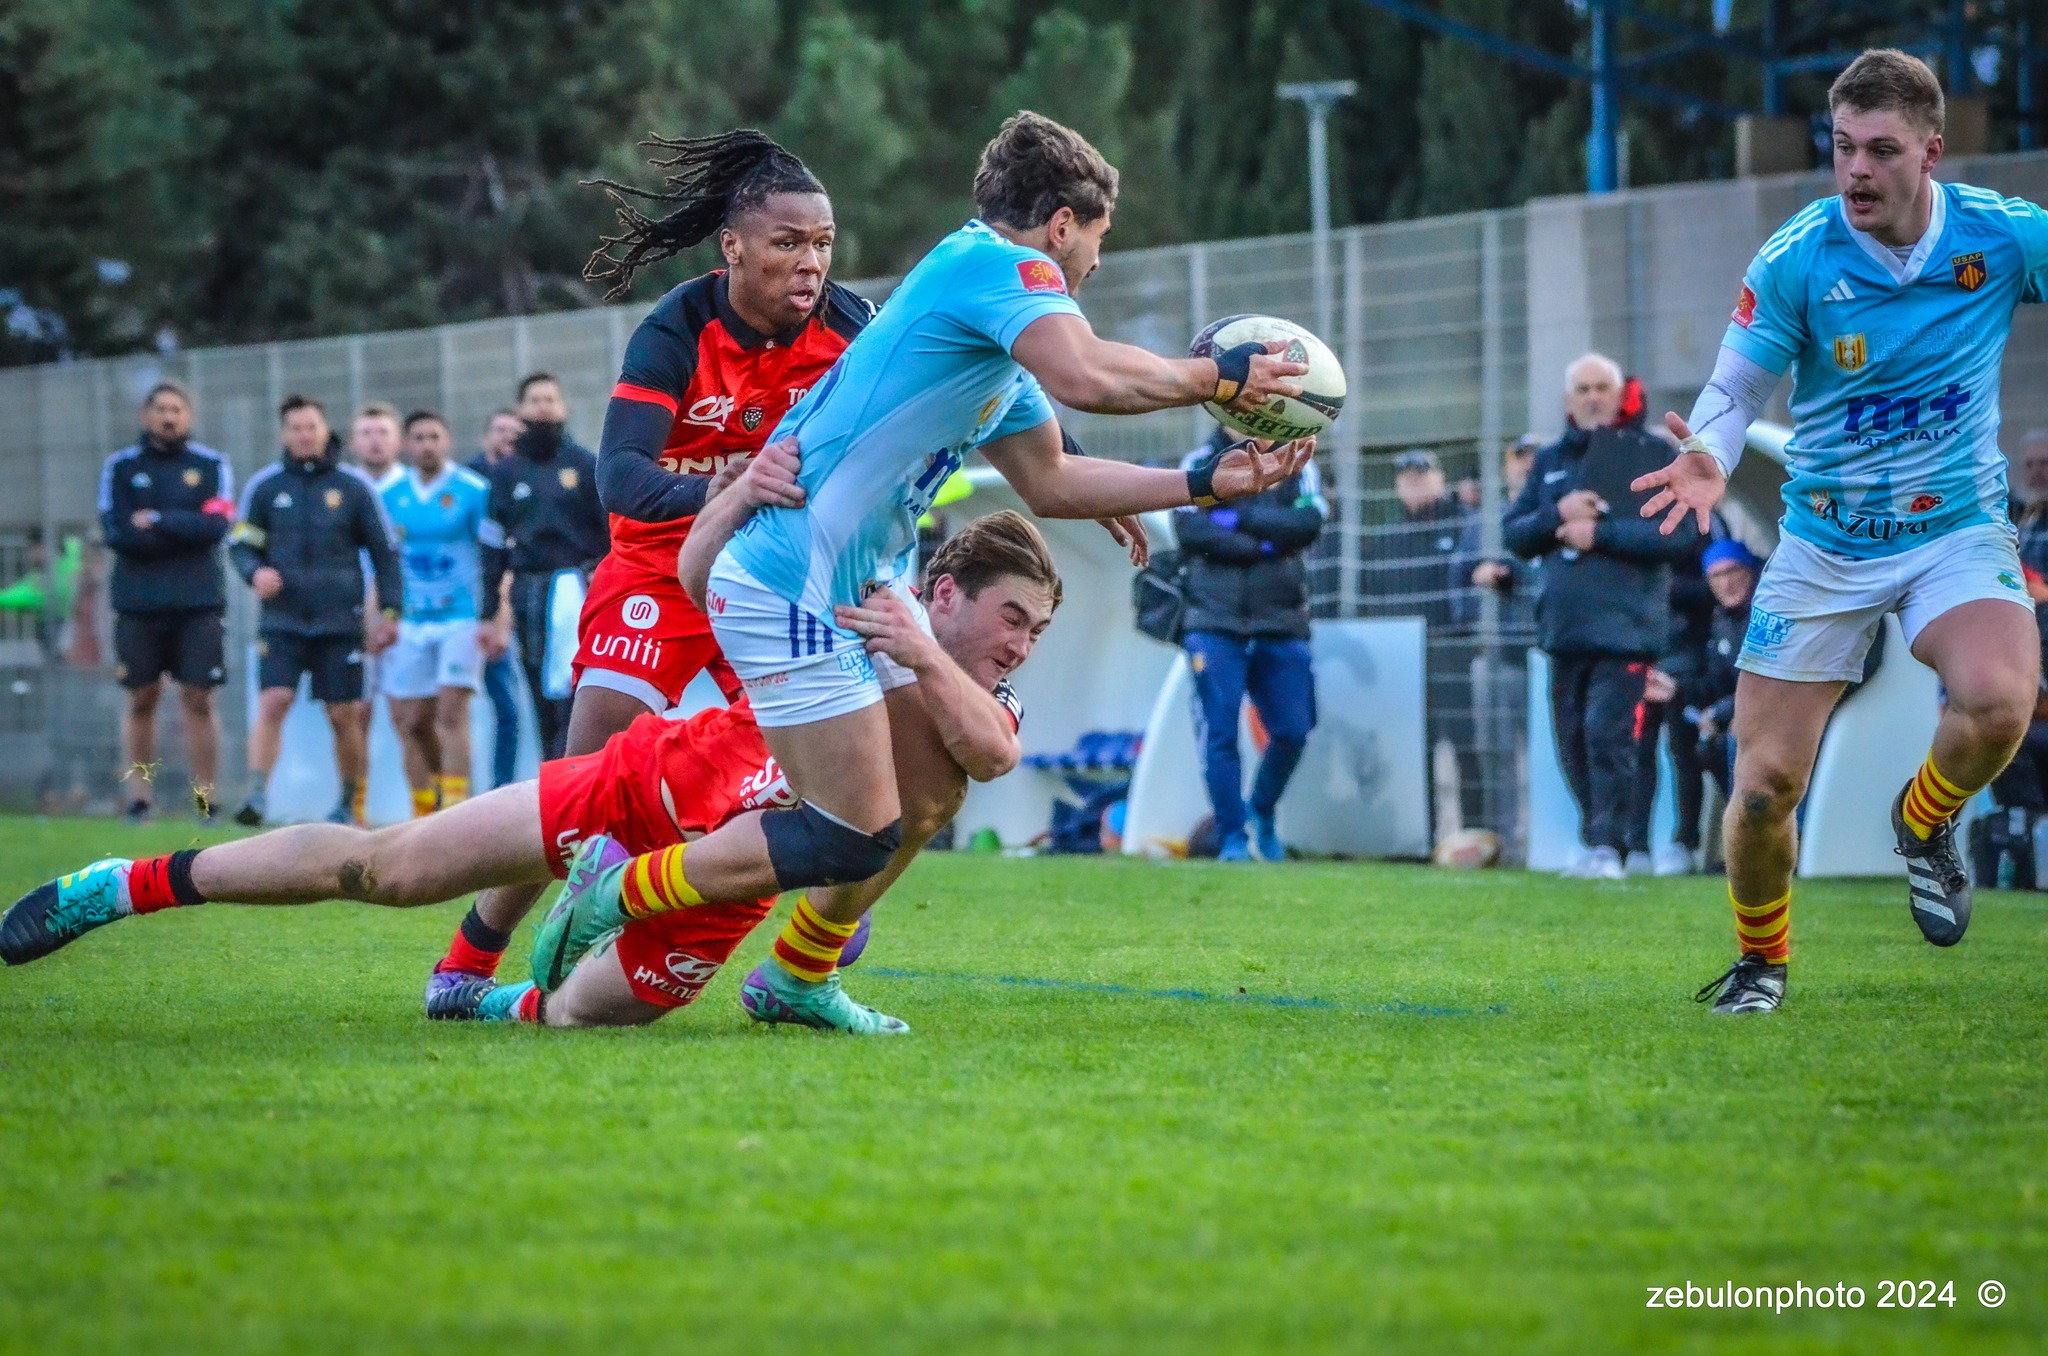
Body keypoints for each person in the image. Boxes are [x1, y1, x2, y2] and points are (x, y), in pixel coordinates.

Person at [529, 110, 1312, 1036]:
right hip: (791, 577)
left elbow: (1053, 479)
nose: (1094, 267)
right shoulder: (994, 265)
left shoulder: (990, 336)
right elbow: (1092, 378)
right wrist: (1220, 378)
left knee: (935, 780)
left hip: (852, 585)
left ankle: (797, 977)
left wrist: (1207, 483)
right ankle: (623, 889)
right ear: (1062, 225)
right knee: (851, 829)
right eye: (1097, 244)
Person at [0, 500, 1052, 1041]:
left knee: (581, 1015)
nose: (1021, 646)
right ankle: (122, 884)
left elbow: (993, 752)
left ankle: (516, 995)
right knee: (388, 869)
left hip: (727, 888)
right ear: (943, 591)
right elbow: (700, 578)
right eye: (1013, 618)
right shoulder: (857, 595)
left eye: (1038, 632)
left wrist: (921, 657)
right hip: (645, 786)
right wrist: (737, 496)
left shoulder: (974, 696)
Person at [1637, 49, 2046, 1014]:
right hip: (1826, 542)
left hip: (1954, 527)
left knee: (2001, 702)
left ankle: (1923, 821)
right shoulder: (1799, 257)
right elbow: (1736, 387)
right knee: (1763, 789)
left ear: (1931, 153)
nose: (1856, 170)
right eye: (1843, 146)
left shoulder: (2002, 235)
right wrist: (1708, 452)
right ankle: (1760, 965)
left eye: (1881, 151)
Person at [427, 130, 872, 1004]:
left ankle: (808, 960)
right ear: (732, 246)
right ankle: (467, 963)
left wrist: (1066, 462)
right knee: (581, 785)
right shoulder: (677, 327)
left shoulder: (851, 324)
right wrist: (722, 488)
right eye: (788, 243)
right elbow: (620, 478)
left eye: (823, 243)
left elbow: (972, 390)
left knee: (833, 763)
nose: (810, 263)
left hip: (775, 575)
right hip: (658, 565)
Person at [1505, 352, 1698, 880]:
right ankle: (1596, 838)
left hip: (1626, 631)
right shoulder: (1550, 460)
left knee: (1607, 738)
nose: (1593, 398)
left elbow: (1679, 535)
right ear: (1569, 400)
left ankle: (1611, 846)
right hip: (1563, 629)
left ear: (1619, 395)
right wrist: (1557, 516)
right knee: (1571, 741)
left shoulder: (1652, 454)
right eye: (1583, 389)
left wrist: (1602, 534)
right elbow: (1515, 533)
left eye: (1601, 388)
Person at [228, 396, 403, 827]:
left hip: (339, 621)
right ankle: (257, 796)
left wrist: (391, 612)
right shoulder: (266, 487)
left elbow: (384, 551)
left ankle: (346, 803)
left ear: (326, 430)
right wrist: (255, 572)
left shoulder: (353, 487)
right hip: (282, 620)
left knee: (343, 713)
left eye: (312, 427)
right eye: (296, 428)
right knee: (274, 701)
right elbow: (242, 544)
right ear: (284, 433)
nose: (305, 435)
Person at [1172, 422, 1327, 861]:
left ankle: (1261, 808)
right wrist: (1268, 545)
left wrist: (1236, 519)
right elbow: (1192, 532)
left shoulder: (1298, 464)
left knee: (1294, 730)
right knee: (1220, 733)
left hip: (1281, 618)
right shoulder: (1199, 462)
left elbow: (1308, 524)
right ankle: (1233, 839)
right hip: (1213, 620)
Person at [97, 381, 235, 823]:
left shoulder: (211, 465)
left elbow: (216, 528)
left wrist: (157, 520)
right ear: (146, 416)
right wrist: (185, 528)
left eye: (177, 409)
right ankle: (140, 799)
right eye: (161, 409)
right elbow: (118, 532)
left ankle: (206, 801)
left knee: (199, 698)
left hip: (198, 602)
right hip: (138, 603)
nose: (169, 417)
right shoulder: (121, 467)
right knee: (142, 698)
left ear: (188, 416)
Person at [380, 411, 505, 817]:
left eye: (434, 436)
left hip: (461, 617)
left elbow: (494, 555)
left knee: (451, 713)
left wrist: (496, 617)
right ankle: (425, 811)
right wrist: (381, 615)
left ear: (447, 441)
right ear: (406, 445)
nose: (426, 445)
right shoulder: (390, 494)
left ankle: (456, 810)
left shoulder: (473, 490)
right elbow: (382, 561)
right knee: (411, 721)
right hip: (411, 619)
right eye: (418, 437)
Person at [481, 373, 607, 762]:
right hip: (529, 591)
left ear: (563, 407)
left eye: (550, 399)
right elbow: (492, 544)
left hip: (578, 589)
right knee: (538, 685)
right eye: (535, 400)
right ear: (522, 410)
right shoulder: (506, 473)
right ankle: (550, 771)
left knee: (577, 686)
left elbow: (609, 533)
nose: (543, 407)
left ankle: (579, 769)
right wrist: (488, 610)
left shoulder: (584, 464)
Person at [468, 409, 525, 791]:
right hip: (467, 609)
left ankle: (502, 787)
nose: (506, 437)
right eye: (500, 430)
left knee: (509, 706)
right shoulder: (468, 484)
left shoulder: (529, 479)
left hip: (511, 604)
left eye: (513, 432)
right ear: (486, 437)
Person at [1366, 448, 1469, 634]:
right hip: (1401, 638)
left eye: (1420, 474)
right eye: (1405, 476)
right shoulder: (1389, 536)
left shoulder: (1463, 524)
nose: (1412, 481)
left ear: (1440, 479)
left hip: (1455, 638)